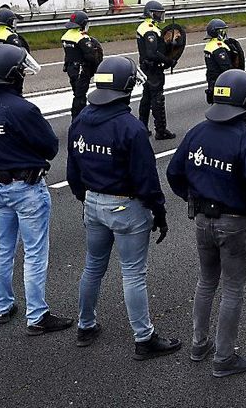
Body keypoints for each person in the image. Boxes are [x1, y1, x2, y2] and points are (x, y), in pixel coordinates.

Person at [66, 56, 181, 359]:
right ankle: (143, 338)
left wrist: (87, 198)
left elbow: (72, 173)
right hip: (126, 207)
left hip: (92, 202)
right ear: (128, 87)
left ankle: (85, 324)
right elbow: (146, 179)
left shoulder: (79, 120)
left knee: (93, 267)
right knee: (132, 274)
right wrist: (159, 211)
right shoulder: (130, 127)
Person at [166, 69, 246, 377]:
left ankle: (198, 344)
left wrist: (193, 197)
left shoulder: (197, 133)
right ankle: (224, 357)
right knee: (232, 288)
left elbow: (174, 173)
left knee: (205, 282)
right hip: (235, 222)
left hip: (202, 219)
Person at [0, 44, 72, 334]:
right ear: (15, 75)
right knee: (35, 252)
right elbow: (51, 147)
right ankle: (37, 316)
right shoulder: (23, 109)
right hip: (26, 188)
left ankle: (2, 306)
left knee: (3, 247)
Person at [136, 0, 175, 140]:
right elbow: (152, 53)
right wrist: (167, 61)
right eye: (158, 13)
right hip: (153, 69)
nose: (160, 15)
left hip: (146, 68)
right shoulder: (150, 30)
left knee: (146, 98)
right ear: (151, 14)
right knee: (157, 99)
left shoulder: (144, 26)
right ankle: (161, 130)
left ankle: (142, 127)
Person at [61, 10, 101, 119]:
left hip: (71, 69)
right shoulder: (82, 38)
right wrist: (97, 68)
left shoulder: (66, 36)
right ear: (83, 24)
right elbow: (91, 56)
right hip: (81, 70)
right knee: (80, 97)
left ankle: (78, 117)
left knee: (76, 93)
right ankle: (78, 119)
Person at [203, 18, 234, 105]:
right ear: (216, 32)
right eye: (222, 31)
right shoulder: (218, 47)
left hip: (212, 81)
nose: (224, 33)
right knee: (225, 106)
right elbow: (226, 67)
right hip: (222, 81)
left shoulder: (209, 45)